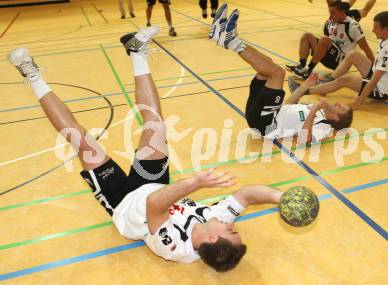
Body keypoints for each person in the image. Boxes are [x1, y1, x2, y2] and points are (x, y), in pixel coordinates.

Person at [7, 27, 287, 272]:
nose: (233, 226)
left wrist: (196, 182)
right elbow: (248, 195)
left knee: (81, 140)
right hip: (153, 185)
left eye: (232, 232)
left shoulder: (175, 247)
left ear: (213, 239)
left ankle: (31, 75)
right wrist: (283, 198)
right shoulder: (217, 223)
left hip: (125, 202)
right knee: (156, 126)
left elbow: (154, 206)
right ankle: (136, 52)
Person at [210, 4, 353, 143]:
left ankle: (229, 40)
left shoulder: (324, 126)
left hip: (268, 125)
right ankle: (230, 37)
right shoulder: (319, 111)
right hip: (265, 114)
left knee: (278, 73)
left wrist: (314, 109)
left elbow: (304, 140)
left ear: (335, 118)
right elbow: (290, 104)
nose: (339, 103)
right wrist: (305, 86)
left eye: (341, 108)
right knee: (267, 64)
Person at [291, 11, 388, 110]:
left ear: (386, 29)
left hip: (382, 89)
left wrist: (357, 102)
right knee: (353, 55)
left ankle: (303, 91)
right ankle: (326, 83)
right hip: (385, 79)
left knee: (344, 80)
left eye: (376, 27)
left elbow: (374, 81)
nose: (373, 30)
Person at [286, 0, 374, 79]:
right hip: (329, 56)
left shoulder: (352, 26)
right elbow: (323, 44)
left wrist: (373, 68)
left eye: (333, 13)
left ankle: (308, 70)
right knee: (306, 35)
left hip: (341, 62)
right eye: (329, 13)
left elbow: (365, 48)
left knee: (324, 39)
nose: (330, 16)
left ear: (342, 12)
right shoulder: (329, 23)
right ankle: (301, 66)